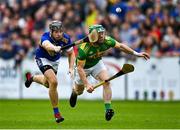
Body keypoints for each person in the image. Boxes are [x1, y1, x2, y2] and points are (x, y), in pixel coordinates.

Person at [69, 24, 150, 121]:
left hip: (96, 64)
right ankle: (74, 92)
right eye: (99, 34)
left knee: (106, 81)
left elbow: (120, 46)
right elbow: (80, 68)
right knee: (79, 91)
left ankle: (108, 109)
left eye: (103, 33)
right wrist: (87, 84)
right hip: (83, 68)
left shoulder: (107, 41)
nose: (102, 35)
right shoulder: (84, 49)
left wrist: (136, 53)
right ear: (93, 36)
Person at [25, 21, 75, 123]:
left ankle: (32, 78)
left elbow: (71, 53)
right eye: (56, 32)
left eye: (60, 31)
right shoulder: (45, 37)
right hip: (42, 58)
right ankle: (57, 113)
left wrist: (71, 67)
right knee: (54, 82)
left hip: (55, 61)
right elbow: (47, 46)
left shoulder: (66, 38)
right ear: (51, 31)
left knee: (47, 83)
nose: (59, 34)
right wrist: (54, 48)